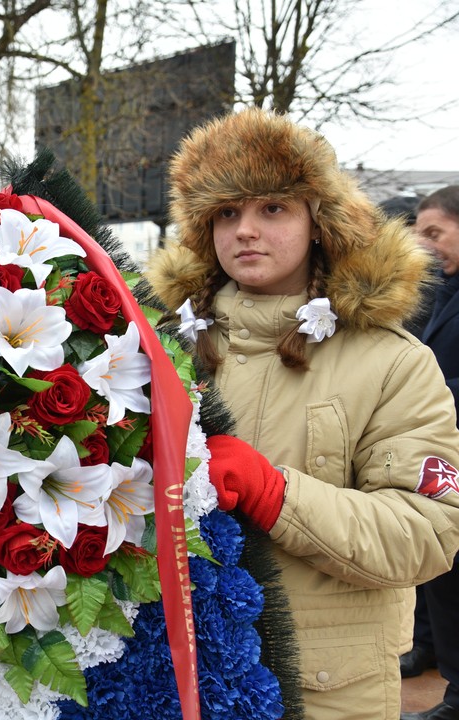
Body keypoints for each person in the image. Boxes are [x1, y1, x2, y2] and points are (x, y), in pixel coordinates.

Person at [145, 108, 459, 720]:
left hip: (324, 691)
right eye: (226, 213)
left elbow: (428, 532)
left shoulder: (393, 363)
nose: (246, 231)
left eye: (273, 208)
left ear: (319, 221)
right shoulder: (164, 348)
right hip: (176, 678)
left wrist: (276, 495)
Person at [400, 185, 459, 720]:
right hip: (441, 455)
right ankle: (426, 648)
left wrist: (427, 393)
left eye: (434, 232)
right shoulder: (438, 291)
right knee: (436, 566)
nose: (422, 243)